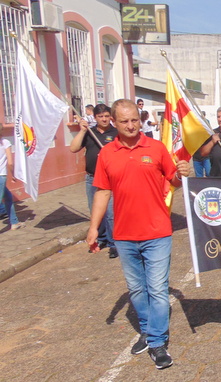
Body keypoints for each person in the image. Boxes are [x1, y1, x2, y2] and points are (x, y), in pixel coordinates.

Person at [87, 98, 190, 370]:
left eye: (135, 120)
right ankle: (146, 329)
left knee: (157, 289)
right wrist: (93, 228)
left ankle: (157, 342)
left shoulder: (156, 148)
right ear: (114, 121)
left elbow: (174, 181)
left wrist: (182, 173)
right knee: (136, 289)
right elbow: (102, 192)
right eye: (124, 121)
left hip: (157, 232)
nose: (131, 126)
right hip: (123, 235)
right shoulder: (107, 154)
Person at [69, 103, 118, 258]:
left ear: (110, 117)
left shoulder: (116, 133)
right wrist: (82, 130)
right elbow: (73, 148)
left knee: (110, 212)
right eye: (100, 116)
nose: (103, 119)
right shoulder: (90, 132)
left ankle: (114, 243)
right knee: (95, 211)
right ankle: (101, 238)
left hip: (110, 179)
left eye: (106, 116)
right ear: (95, 117)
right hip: (92, 178)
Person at [0, 130, 24, 230]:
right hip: (1, 176)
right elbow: (10, 163)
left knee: (8, 197)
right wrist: (13, 174)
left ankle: (14, 222)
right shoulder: (5, 142)